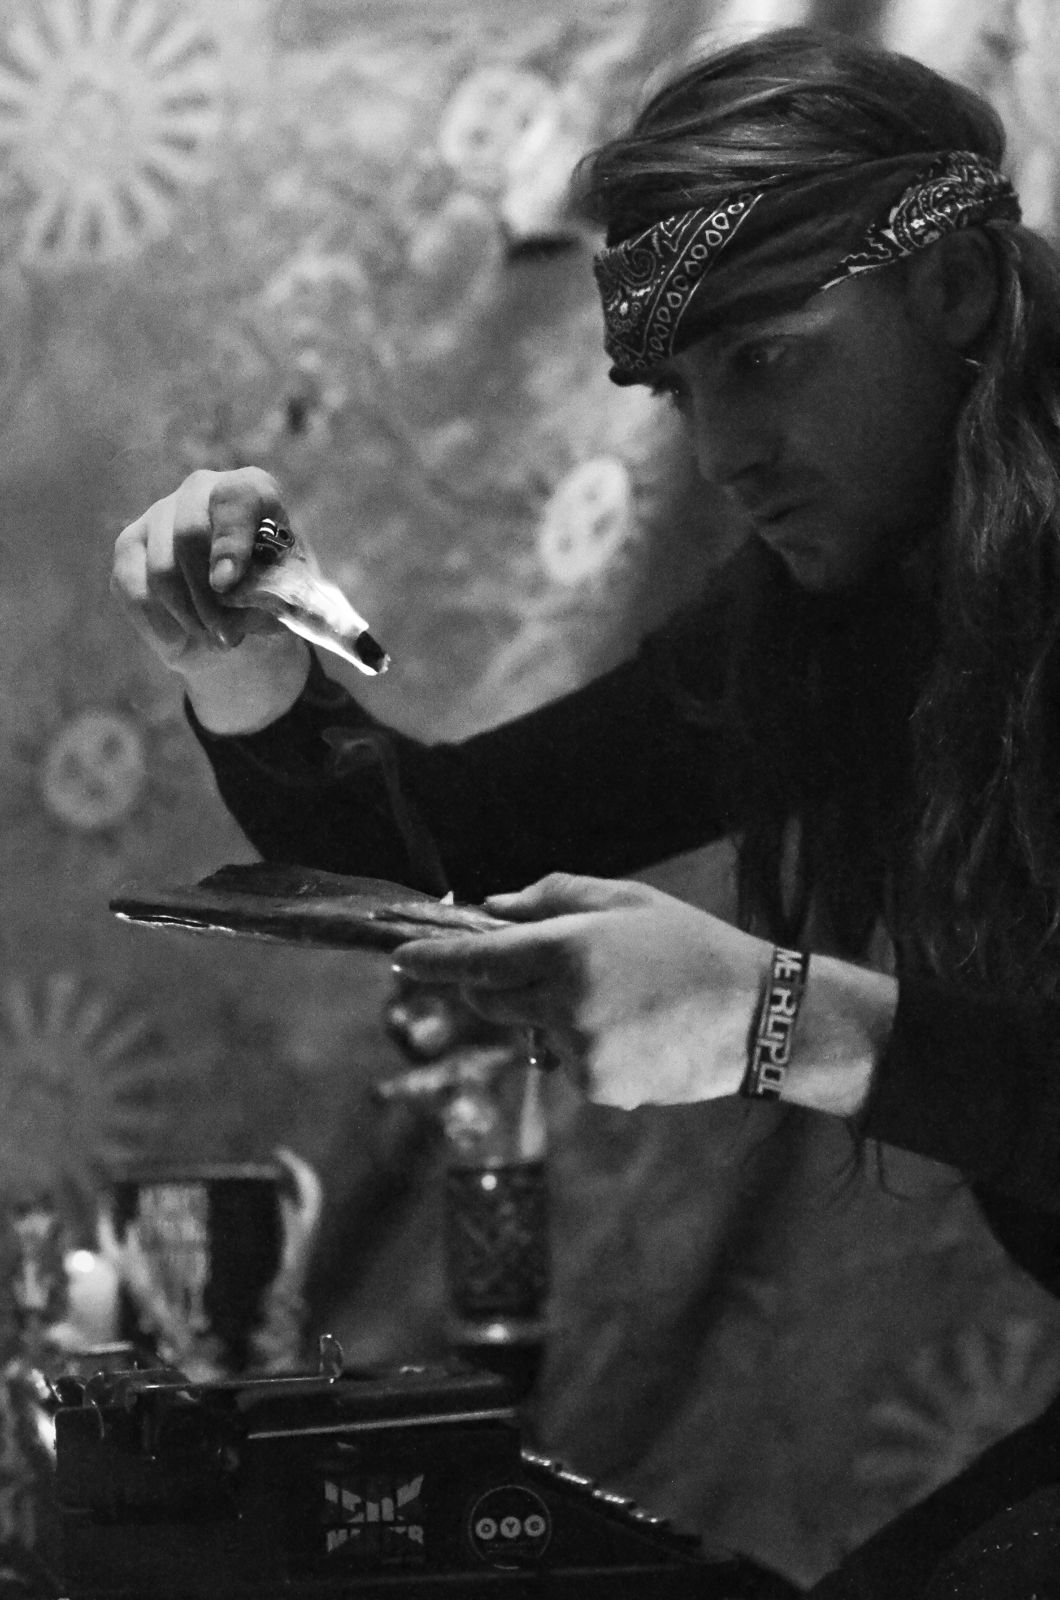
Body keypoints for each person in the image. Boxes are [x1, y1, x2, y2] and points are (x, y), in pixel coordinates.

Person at [111, 26, 1060, 1595]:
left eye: (768, 356)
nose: (725, 453)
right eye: (685, 390)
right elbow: (442, 856)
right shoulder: (844, 613)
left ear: (953, 288)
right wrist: (246, 664)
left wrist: (777, 1019)